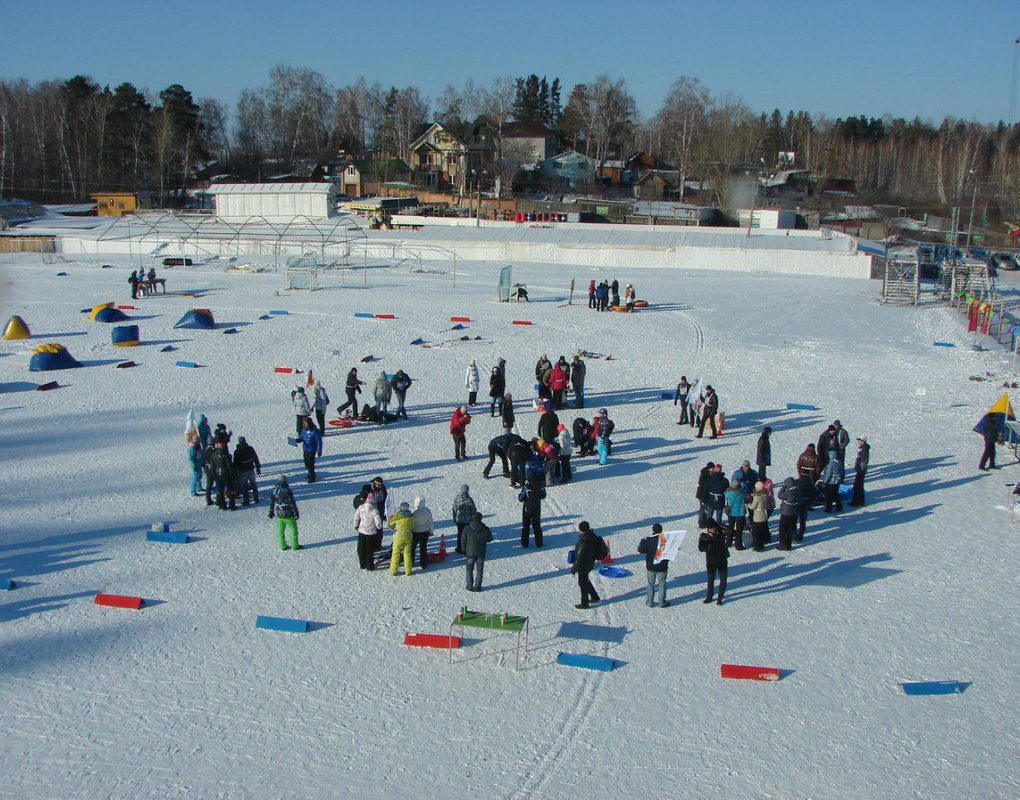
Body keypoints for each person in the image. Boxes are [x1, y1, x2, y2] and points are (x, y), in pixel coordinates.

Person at [571, 521, 603, 609]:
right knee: (585, 580)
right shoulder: (593, 536)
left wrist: (573, 569)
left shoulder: (583, 542)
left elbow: (579, 558)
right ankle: (594, 596)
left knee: (582, 583)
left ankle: (584, 603)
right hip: (590, 563)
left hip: (583, 565)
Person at [637, 523, 670, 607]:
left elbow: (641, 550)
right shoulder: (666, 540)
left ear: (653, 530)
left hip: (651, 567)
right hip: (662, 566)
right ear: (661, 531)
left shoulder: (648, 540)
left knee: (650, 584)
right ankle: (662, 602)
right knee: (662, 584)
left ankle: (649, 602)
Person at [698, 519, 729, 605]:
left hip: (722, 559)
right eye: (711, 528)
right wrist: (709, 546)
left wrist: (719, 525)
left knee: (723, 579)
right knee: (710, 580)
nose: (713, 529)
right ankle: (709, 596)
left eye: (714, 527)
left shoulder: (721, 532)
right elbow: (700, 548)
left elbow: (729, 530)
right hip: (711, 561)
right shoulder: (704, 536)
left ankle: (720, 597)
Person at [268, 475, 300, 551]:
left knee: (280, 530)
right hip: (288, 512)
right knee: (293, 529)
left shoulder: (275, 490)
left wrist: (271, 511)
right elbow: (292, 502)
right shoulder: (287, 490)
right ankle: (294, 545)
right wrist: (296, 511)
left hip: (279, 512)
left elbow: (272, 501)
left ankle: (283, 545)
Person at [463, 511, 493, 592]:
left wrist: (463, 550)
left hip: (470, 552)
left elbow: (463, 540)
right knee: (479, 570)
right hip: (481, 553)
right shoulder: (486, 529)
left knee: (469, 570)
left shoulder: (467, 528)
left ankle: (469, 586)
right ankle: (478, 586)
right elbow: (490, 539)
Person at [354, 491, 383, 569]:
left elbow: (356, 517)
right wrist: (379, 527)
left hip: (362, 531)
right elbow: (378, 522)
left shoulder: (361, 507)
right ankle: (370, 566)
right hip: (371, 533)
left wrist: (356, 525)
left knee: (361, 548)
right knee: (369, 550)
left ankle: (362, 564)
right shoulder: (374, 510)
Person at [387, 501, 415, 576]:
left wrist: (393, 529)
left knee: (396, 553)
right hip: (408, 535)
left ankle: (393, 571)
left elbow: (389, 525)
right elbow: (413, 526)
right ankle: (408, 571)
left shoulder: (397, 516)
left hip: (398, 536)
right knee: (407, 553)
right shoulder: (411, 516)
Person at [233, 436, 262, 505]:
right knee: (253, 484)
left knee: (244, 486)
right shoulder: (250, 448)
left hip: (242, 471)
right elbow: (255, 458)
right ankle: (256, 498)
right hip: (251, 469)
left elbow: (235, 462)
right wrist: (258, 468)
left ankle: (246, 501)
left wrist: (235, 472)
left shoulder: (237, 451)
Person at [519, 474, 546, 547]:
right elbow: (543, 496)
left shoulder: (526, 487)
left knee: (526, 527)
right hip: (536, 509)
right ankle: (539, 543)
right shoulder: (541, 486)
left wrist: (520, 494)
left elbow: (520, 498)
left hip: (527, 510)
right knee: (537, 527)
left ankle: (524, 543)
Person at [210, 440, 236, 510]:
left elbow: (212, 466)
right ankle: (232, 505)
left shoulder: (214, 455)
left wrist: (214, 475)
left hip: (218, 474)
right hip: (226, 474)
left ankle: (222, 505)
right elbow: (229, 466)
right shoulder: (225, 454)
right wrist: (232, 474)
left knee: (220, 491)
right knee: (231, 490)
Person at [776, 477, 801, 550]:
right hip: (794, 513)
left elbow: (779, 495)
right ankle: (788, 544)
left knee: (783, 530)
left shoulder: (789, 493)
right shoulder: (797, 490)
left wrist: (783, 487)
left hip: (786, 513)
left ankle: (783, 545)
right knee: (790, 529)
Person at [452, 485, 476, 554]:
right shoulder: (469, 499)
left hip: (459, 520)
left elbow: (454, 509)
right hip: (468, 521)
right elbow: (473, 510)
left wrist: (455, 519)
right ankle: (467, 548)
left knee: (460, 534)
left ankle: (459, 548)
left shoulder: (457, 499)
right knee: (468, 534)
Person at [411, 496, 433, 570]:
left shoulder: (414, 512)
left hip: (415, 532)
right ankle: (423, 563)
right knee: (423, 548)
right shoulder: (427, 511)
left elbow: (412, 524)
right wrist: (431, 531)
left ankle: (411, 561)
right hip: (425, 532)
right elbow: (430, 522)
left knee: (412, 547)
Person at [724, 480, 747, 550]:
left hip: (730, 512)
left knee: (731, 527)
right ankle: (738, 545)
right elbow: (744, 487)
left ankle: (728, 542)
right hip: (739, 513)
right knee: (739, 529)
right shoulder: (740, 494)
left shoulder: (727, 492)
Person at [298, 417, 322, 483]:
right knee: (306, 462)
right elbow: (302, 437)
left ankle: (312, 477)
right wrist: (298, 440)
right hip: (305, 448)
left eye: (305, 423)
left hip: (312, 450)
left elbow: (319, 441)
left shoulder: (315, 431)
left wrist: (319, 450)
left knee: (310, 463)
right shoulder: (304, 430)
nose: (304, 424)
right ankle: (309, 473)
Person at [748, 481, 770, 551]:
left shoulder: (757, 497)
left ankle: (757, 547)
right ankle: (762, 544)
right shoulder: (765, 494)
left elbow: (752, 507)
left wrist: (747, 504)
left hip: (758, 516)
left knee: (756, 532)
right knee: (761, 531)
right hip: (764, 514)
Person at [850, 436, 870, 506]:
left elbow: (862, 460)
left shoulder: (864, 450)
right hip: (862, 470)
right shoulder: (864, 448)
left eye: (859, 440)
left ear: (863, 441)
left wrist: (858, 468)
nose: (858, 442)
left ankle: (856, 502)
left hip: (861, 470)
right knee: (859, 486)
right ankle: (860, 501)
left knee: (857, 486)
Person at [795, 472, 815, 542]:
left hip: (797, 504)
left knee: (794, 520)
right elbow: (814, 496)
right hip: (805, 504)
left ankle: (794, 536)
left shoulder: (797, 482)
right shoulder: (810, 485)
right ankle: (801, 535)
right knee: (803, 521)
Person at [695, 461, 715, 528]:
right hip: (702, 494)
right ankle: (701, 523)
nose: (713, 469)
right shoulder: (704, 474)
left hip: (705, 494)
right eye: (712, 468)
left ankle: (704, 521)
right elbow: (700, 483)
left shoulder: (708, 473)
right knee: (703, 508)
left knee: (705, 508)